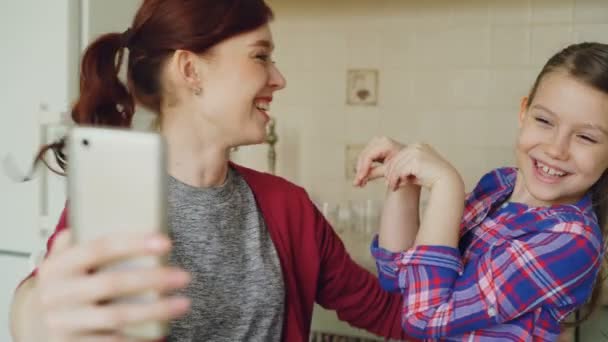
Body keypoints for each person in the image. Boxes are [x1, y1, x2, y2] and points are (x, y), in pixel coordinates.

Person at [9, 1, 410, 341]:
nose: (279, 78)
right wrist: (32, 314)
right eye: (260, 56)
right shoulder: (114, 206)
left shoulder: (290, 207)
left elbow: (397, 316)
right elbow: (43, 308)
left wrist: (407, 185)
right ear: (190, 70)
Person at [354, 42, 608, 341]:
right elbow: (398, 278)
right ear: (523, 112)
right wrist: (404, 178)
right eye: (544, 121)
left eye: (586, 138)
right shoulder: (498, 186)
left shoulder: (571, 241)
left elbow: (424, 317)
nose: (556, 148)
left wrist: (446, 186)